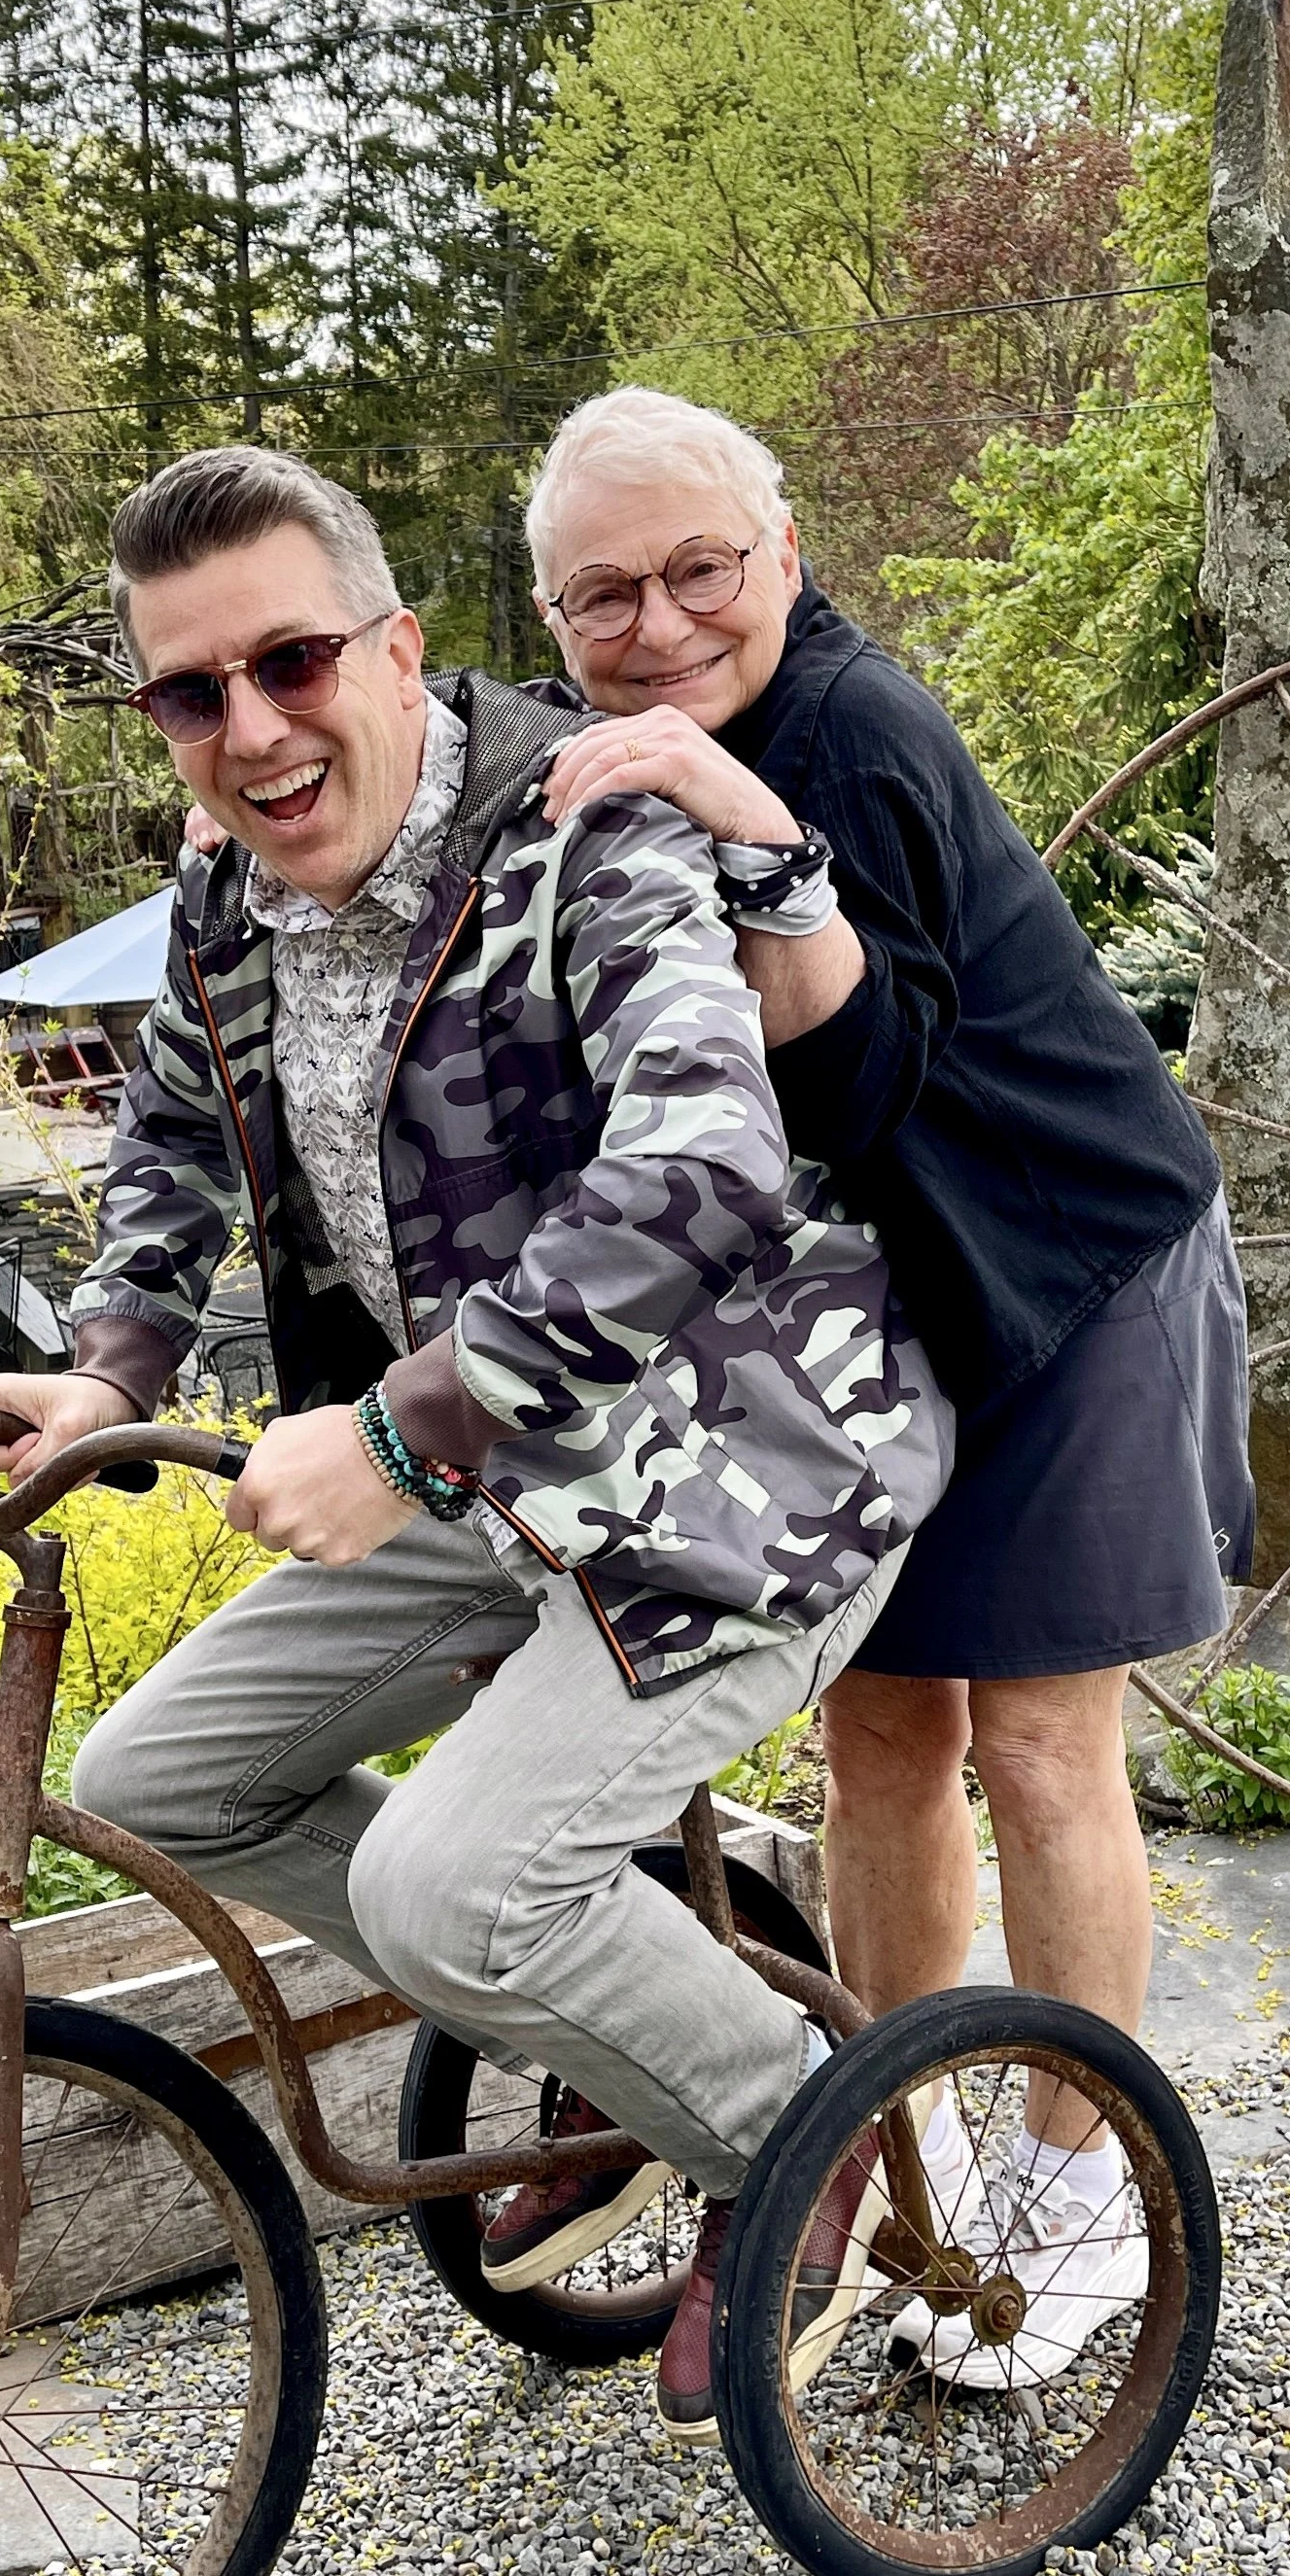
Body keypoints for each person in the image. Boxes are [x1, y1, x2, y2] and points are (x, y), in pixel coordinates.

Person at [0, 442, 953, 2439]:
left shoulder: (588, 836)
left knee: (441, 1886)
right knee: (167, 1775)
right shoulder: (222, 888)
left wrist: (402, 1436)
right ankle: (616, 2008)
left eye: (293, 659)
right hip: (512, 1466)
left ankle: (793, 2130)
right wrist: (110, 1366)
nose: (250, 729)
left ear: (398, 647)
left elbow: (704, 1164)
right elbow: (172, 1129)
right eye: (188, 692)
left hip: (746, 1465)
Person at [521, 384, 1252, 2376]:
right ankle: (899, 2109)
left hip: (1068, 1257)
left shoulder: (839, 731)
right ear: (548, 615)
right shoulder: (621, 752)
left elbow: (863, 1080)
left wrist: (760, 839)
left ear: (780, 552)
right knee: (874, 1737)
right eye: (604, 594)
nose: (659, 622)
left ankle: (1078, 2179)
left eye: (700, 571)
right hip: (895, 1298)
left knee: (1035, 1742)